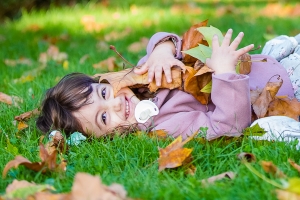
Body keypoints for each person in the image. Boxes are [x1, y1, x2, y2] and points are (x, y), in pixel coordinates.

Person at [36, 29, 299, 141]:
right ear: (107, 137)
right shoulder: (164, 125)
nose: (115, 102)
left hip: (266, 63)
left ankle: (280, 47)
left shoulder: (142, 79)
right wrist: (225, 74)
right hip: (285, 87)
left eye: (104, 92)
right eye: (104, 117)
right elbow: (226, 126)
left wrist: (161, 51)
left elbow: (166, 40)